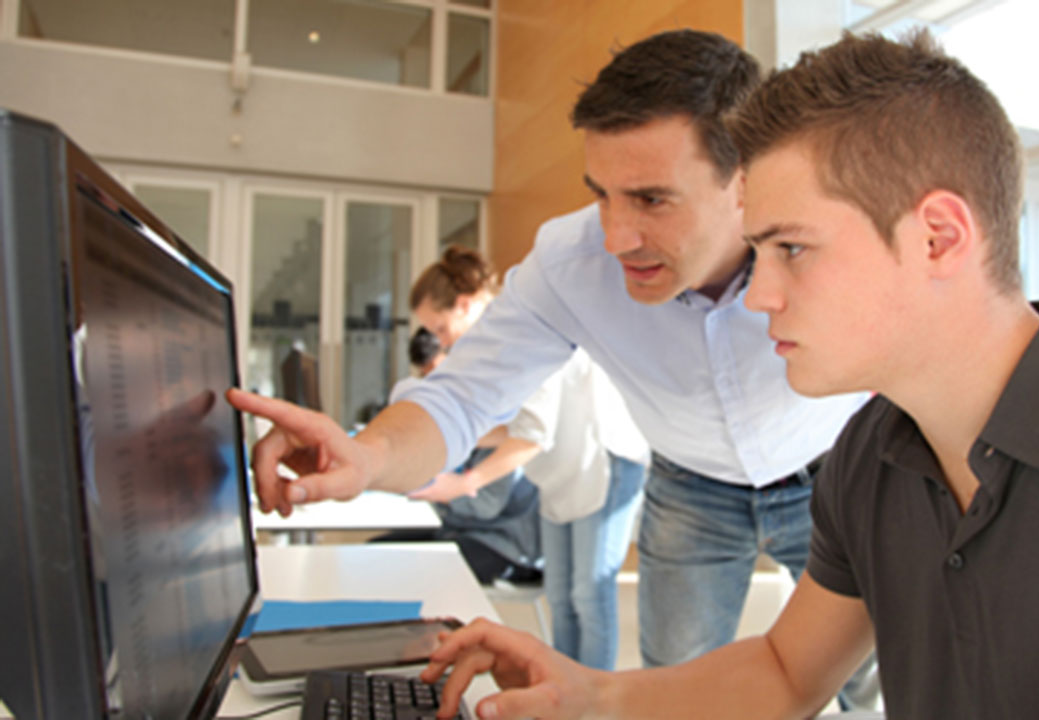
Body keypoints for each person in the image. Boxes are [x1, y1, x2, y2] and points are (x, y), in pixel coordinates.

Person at [416, 29, 1039, 720]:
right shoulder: (873, 453)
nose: (762, 298)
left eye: (792, 248)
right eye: (760, 253)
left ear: (939, 236)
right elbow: (786, 672)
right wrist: (590, 695)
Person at [226, 29, 874, 706]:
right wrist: (368, 456)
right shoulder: (570, 262)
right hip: (692, 484)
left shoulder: (822, 240)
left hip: (837, 467)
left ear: (745, 180)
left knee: (865, 674)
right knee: (676, 685)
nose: (617, 238)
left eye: (652, 199)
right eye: (602, 195)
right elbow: (461, 397)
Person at [405, 246, 650, 670]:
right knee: (561, 595)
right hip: (562, 468)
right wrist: (442, 442)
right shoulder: (492, 342)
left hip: (602, 460)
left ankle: (589, 706)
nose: (440, 342)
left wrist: (465, 482)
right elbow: (515, 423)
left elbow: (532, 435)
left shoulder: (519, 326)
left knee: (590, 594)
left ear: (464, 305)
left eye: (441, 329)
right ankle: (565, 691)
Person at [378, 324, 543, 586]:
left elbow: (486, 505)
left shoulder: (501, 418)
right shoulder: (462, 420)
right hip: (460, 529)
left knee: (401, 571)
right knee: (374, 554)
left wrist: (444, 493)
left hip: (501, 543)